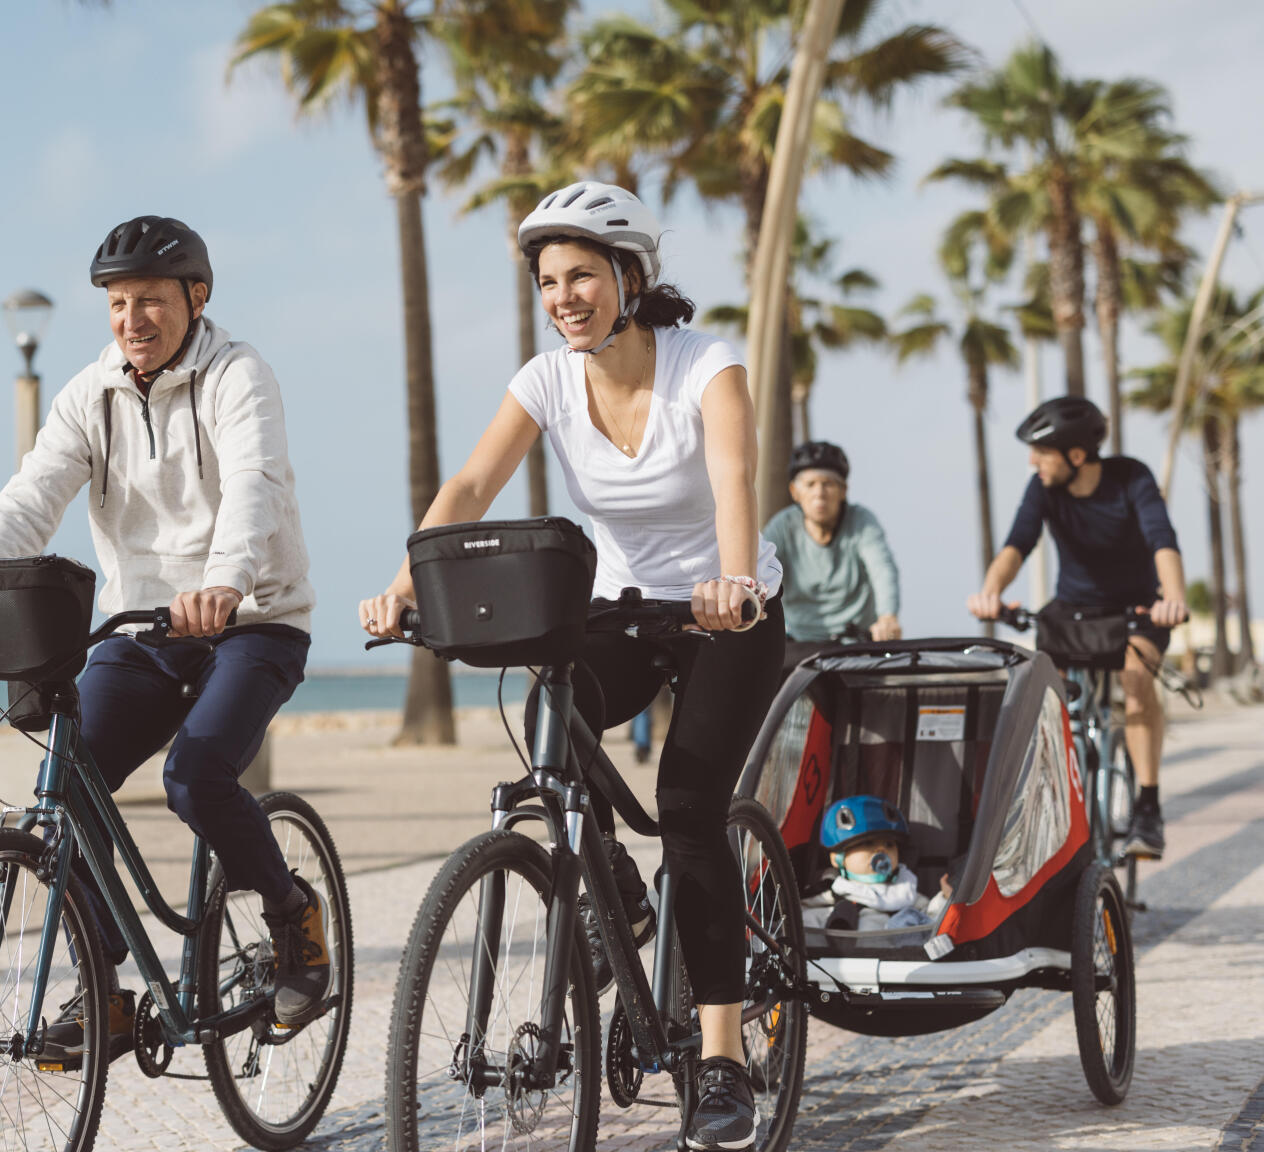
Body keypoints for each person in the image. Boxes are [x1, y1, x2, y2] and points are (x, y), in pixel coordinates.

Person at [359, 181, 784, 1152]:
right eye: (549, 281)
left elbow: (732, 481)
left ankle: (721, 1060)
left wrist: (730, 580)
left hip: (732, 613)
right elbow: (467, 483)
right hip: (626, 609)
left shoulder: (706, 366)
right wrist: (405, 584)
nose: (564, 296)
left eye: (583, 275)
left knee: (688, 809)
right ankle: (619, 893)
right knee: (553, 707)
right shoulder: (548, 380)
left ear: (632, 277)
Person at [0, 215, 327, 1062]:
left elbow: (255, 483)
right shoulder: (89, 395)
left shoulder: (239, 376)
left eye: (153, 301)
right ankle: (108, 990)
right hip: (141, 629)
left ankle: (291, 916)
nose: (134, 319)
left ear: (196, 299)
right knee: (67, 789)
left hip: (252, 620)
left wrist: (225, 580)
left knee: (197, 777)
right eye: (119, 303)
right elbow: (30, 497)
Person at [967, 396, 1188, 858]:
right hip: (1073, 610)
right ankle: (1056, 807)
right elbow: (1016, 546)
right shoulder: (1042, 488)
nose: (1033, 462)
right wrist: (991, 592)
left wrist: (1173, 597)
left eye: (1041, 452)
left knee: (1135, 678)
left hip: (1138, 610)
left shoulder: (1132, 477)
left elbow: (1161, 538)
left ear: (1076, 455)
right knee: (1048, 696)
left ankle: (1147, 807)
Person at [763, 441, 902, 666]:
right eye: (810, 484)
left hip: (853, 642)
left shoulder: (861, 522)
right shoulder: (782, 526)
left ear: (843, 491)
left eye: (828, 484)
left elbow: (882, 568)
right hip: (799, 642)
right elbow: (761, 568)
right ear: (795, 492)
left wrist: (888, 616)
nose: (819, 493)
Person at [802, 795, 951, 934]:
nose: (881, 850)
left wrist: (944, 898)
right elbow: (798, 915)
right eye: (868, 843)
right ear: (837, 858)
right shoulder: (830, 894)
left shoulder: (904, 892)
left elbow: (932, 920)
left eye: (889, 844)